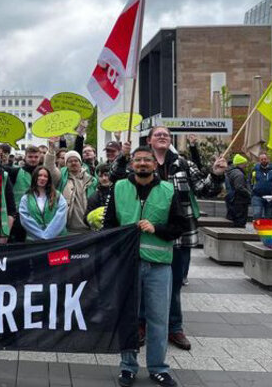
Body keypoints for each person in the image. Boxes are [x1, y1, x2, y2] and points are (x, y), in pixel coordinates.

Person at [114, 127, 227, 352]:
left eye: (166, 134)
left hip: (177, 237)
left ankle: (174, 327)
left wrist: (215, 174)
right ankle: (141, 324)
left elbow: (204, 189)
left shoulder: (183, 164)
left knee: (173, 285)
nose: (163, 136)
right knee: (141, 282)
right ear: (149, 140)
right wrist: (123, 156)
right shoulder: (138, 161)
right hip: (142, 238)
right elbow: (115, 179)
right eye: (158, 134)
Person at [103, 146, 187, 387]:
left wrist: (156, 229)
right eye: (138, 160)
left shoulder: (168, 190)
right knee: (128, 319)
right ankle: (127, 366)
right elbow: (108, 225)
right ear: (131, 163)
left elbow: (179, 226)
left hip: (159, 266)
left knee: (158, 320)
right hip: (127, 265)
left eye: (147, 160)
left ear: (154, 164)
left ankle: (158, 368)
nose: (142, 164)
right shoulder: (119, 187)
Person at [46, 140, 95, 231]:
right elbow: (50, 168)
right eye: (70, 161)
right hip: (67, 228)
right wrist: (51, 149)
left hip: (88, 228)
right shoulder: (61, 176)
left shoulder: (92, 180)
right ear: (66, 164)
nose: (73, 163)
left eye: (76, 160)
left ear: (80, 162)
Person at [18, 166, 68, 240]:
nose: (42, 178)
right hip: (35, 241)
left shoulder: (57, 196)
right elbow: (25, 219)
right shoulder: (26, 198)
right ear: (34, 177)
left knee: (60, 252)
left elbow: (61, 216)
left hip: (58, 240)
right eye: (39, 175)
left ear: (49, 179)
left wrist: (47, 235)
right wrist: (41, 236)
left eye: (45, 176)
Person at [225, 154, 252, 227]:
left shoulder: (231, 172)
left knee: (232, 220)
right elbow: (239, 187)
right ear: (240, 164)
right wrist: (249, 193)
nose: (246, 165)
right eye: (244, 164)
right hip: (239, 202)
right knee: (240, 222)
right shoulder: (239, 174)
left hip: (232, 199)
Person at [250, 152, 272, 220]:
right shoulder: (254, 170)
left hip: (270, 197)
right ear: (259, 160)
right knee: (257, 214)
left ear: (268, 159)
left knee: (269, 216)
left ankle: (266, 229)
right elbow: (249, 181)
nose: (263, 160)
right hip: (257, 196)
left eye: (265, 159)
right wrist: (251, 191)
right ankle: (257, 229)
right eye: (261, 159)